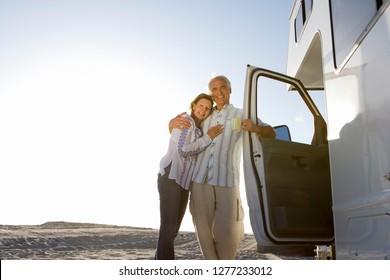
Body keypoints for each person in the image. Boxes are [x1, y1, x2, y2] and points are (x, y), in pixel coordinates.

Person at [169, 75, 275, 260]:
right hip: (199, 181)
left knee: (228, 231)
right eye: (214, 89)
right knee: (203, 230)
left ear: (230, 89)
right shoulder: (204, 114)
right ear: (210, 93)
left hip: (228, 181)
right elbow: (182, 132)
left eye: (223, 87)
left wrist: (256, 128)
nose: (219, 92)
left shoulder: (242, 114)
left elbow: (271, 132)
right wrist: (171, 124)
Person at [155, 93, 224, 260]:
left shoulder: (198, 131)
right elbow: (182, 150)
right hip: (171, 177)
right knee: (169, 228)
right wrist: (209, 137)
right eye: (201, 105)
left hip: (184, 184)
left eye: (207, 108)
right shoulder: (186, 121)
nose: (203, 110)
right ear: (193, 105)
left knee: (172, 230)